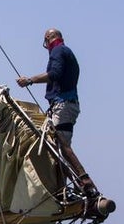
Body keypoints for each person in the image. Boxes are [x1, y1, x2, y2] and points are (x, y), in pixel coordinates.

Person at [16, 28, 99, 199]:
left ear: (48, 39)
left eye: (45, 43)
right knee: (56, 148)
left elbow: (54, 74)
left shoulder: (58, 51)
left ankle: (83, 183)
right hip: (67, 105)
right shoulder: (65, 51)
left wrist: (29, 80)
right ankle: (67, 189)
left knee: (59, 147)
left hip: (63, 105)